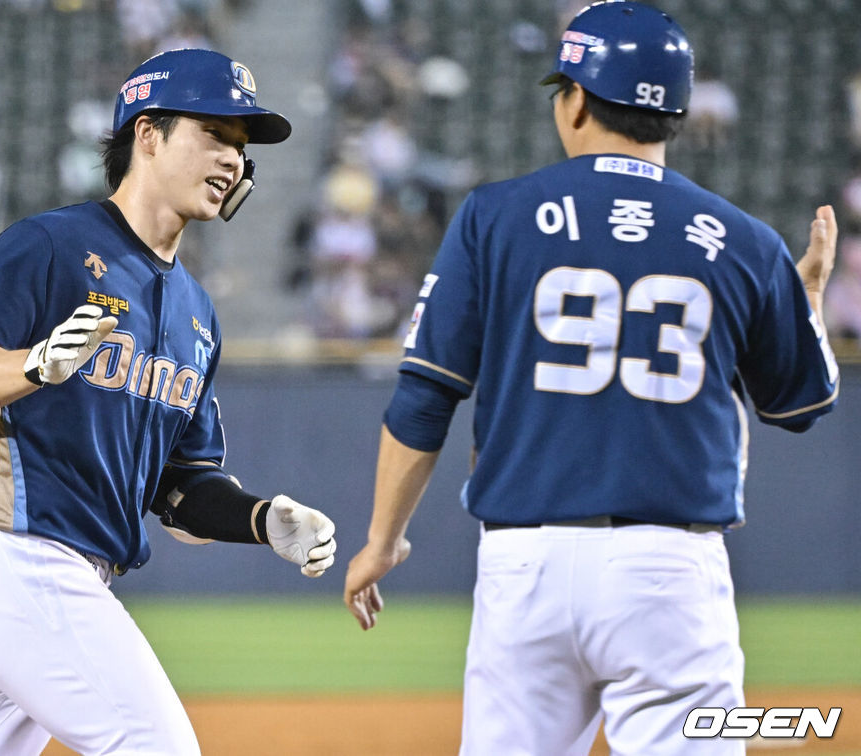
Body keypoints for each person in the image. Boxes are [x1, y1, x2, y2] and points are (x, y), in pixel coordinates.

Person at [343, 3, 840, 755]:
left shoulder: (493, 217)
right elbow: (801, 402)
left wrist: (382, 540)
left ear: (574, 100)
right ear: (676, 112)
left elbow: (423, 398)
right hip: (668, 571)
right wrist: (806, 304)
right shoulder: (744, 240)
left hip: (525, 568)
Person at [0, 49, 337, 755]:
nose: (234, 159)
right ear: (148, 134)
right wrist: (36, 363)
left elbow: (178, 489)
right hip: (18, 562)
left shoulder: (197, 313)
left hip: (51, 578)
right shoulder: (50, 244)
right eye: (216, 133)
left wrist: (261, 519)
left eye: (241, 145)